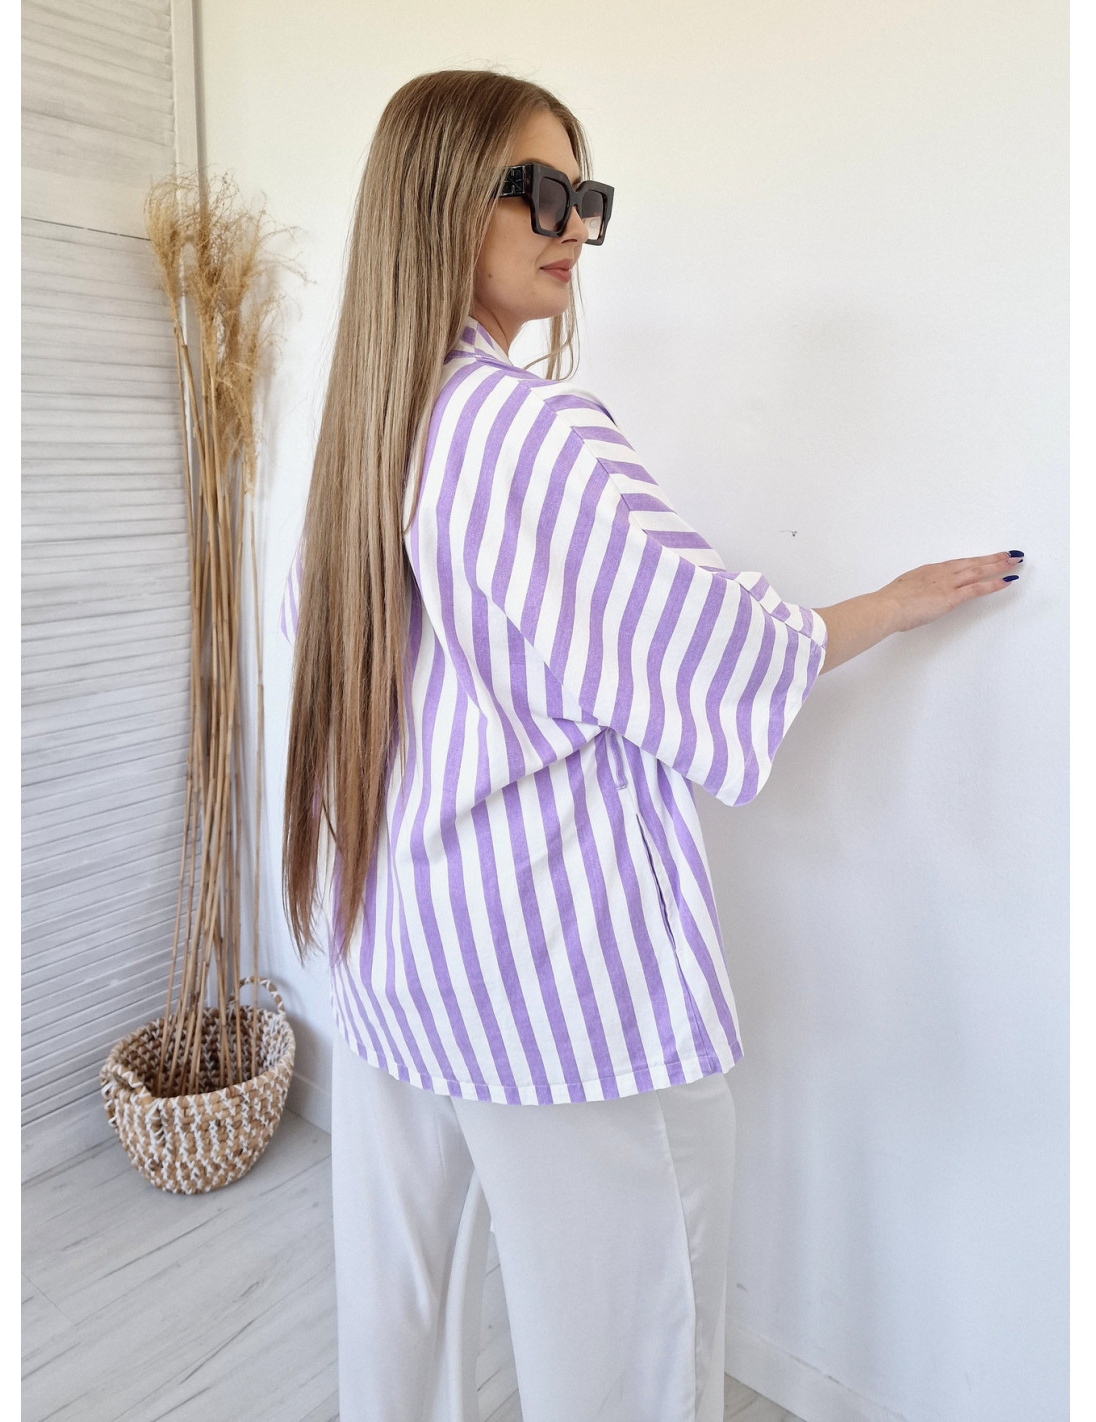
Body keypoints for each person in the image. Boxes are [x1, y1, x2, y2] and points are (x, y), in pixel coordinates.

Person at [281, 68, 1021, 1422]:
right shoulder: (529, 432)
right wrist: (893, 601)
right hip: (549, 986)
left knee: (401, 1327)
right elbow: (713, 647)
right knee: (627, 1366)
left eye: (590, 196)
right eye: (539, 190)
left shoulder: (363, 440)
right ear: (436, 200)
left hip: (396, 952)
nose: (574, 224)